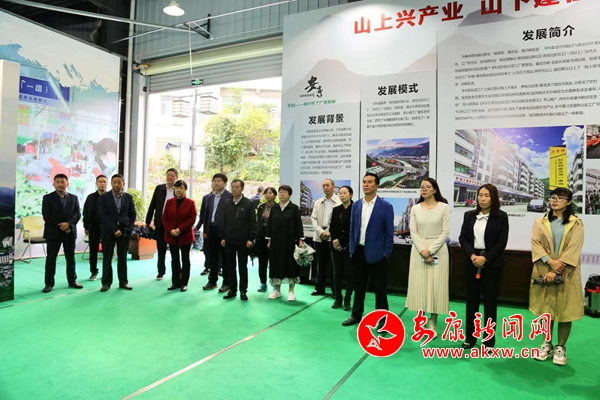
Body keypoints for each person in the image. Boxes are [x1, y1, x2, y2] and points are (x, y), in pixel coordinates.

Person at [530, 187, 584, 366]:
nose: (555, 200)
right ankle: (546, 344)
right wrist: (549, 262)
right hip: (544, 269)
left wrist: (556, 269)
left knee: (565, 311)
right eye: (553, 197)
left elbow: (573, 249)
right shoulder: (540, 221)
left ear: (568, 202)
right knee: (546, 311)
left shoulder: (576, 223)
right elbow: (536, 243)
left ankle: (560, 347)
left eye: (560, 198)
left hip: (566, 272)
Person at [458, 183, 509, 350]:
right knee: (471, 302)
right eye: (480, 195)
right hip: (472, 261)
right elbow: (463, 238)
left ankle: (488, 341)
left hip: (492, 263)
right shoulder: (469, 215)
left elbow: (501, 243)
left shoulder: (501, 217)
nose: (483, 198)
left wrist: (485, 258)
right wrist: (472, 255)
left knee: (490, 302)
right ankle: (470, 338)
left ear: (493, 198)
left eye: (487, 195)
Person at [342, 173, 394, 326]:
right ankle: (356, 315)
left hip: (378, 254)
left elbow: (389, 234)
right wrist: (352, 248)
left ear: (377, 186)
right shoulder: (357, 205)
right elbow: (352, 229)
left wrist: (385, 253)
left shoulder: (385, 206)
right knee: (358, 287)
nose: (366, 184)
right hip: (358, 252)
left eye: (370, 182)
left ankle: (383, 320)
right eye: (364, 182)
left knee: (379, 289)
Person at [405, 178, 451, 337]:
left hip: (438, 250)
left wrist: (430, 250)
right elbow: (413, 231)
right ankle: (421, 322)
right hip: (418, 250)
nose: (424, 189)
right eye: (422, 187)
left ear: (435, 190)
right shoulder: (415, 208)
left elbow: (445, 232)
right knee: (419, 286)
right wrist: (423, 250)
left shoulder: (444, 207)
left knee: (435, 286)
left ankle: (433, 323)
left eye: (428, 187)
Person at [41, 174, 82, 293]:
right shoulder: (47, 198)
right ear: (53, 184)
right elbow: (46, 216)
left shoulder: (74, 198)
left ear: (67, 184)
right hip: (53, 233)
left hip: (69, 232)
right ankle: (49, 283)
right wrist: (61, 226)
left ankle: (72, 280)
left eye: (62, 182)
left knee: (71, 258)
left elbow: (77, 214)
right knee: (51, 259)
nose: (60, 184)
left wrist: (68, 224)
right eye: (57, 182)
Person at [219, 179, 257, 301]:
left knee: (242, 267)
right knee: (230, 266)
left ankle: (243, 291)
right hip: (229, 240)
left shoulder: (249, 203)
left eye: (237, 187)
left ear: (242, 189)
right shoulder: (227, 203)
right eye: (232, 187)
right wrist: (223, 237)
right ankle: (232, 289)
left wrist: (251, 238)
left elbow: (253, 223)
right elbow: (224, 221)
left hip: (243, 241)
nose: (234, 189)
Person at [99, 174, 136, 292]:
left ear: (123, 184)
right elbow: (103, 216)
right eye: (114, 182)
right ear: (111, 184)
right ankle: (106, 283)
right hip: (108, 232)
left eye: (119, 182)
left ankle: (123, 282)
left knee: (123, 258)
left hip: (124, 232)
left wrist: (129, 228)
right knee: (107, 258)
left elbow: (132, 214)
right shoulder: (104, 197)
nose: (116, 185)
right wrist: (114, 230)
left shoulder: (128, 197)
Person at [266, 185, 304, 301]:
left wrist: (301, 240)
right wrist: (269, 240)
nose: (282, 194)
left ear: (289, 195)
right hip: (276, 241)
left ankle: (291, 291)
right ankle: (277, 290)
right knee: (276, 264)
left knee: (291, 265)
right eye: (280, 192)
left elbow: (299, 225)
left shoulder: (294, 208)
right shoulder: (274, 208)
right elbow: (270, 224)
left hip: (290, 241)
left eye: (285, 192)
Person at [162, 180, 197, 292]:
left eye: (181, 188)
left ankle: (184, 283)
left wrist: (180, 229)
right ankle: (175, 282)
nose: (178, 190)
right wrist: (170, 230)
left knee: (185, 259)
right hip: (172, 235)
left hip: (185, 235)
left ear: (185, 190)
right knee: (174, 259)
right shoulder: (169, 202)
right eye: (177, 188)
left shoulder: (190, 203)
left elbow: (192, 219)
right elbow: (164, 217)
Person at [201, 173, 233, 292]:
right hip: (211, 230)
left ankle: (226, 282)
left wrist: (227, 234)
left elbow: (231, 218)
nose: (216, 183)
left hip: (224, 231)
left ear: (225, 183)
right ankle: (212, 281)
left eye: (219, 181)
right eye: (214, 181)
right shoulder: (210, 197)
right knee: (212, 257)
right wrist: (205, 230)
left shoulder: (230, 197)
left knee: (225, 258)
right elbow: (207, 215)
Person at [146, 168, 179, 280]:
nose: (170, 177)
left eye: (172, 175)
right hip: (160, 224)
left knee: (174, 250)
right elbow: (152, 205)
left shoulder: (178, 189)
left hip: (173, 225)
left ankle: (176, 272)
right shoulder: (159, 188)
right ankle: (161, 271)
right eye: (168, 175)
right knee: (161, 249)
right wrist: (147, 221)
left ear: (176, 177)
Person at [311, 179, 341, 296]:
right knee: (320, 264)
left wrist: (327, 232)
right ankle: (319, 288)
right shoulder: (318, 202)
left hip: (332, 237)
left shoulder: (339, 202)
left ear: (333, 186)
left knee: (334, 266)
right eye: (323, 186)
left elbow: (338, 221)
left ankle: (335, 290)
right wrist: (320, 232)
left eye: (327, 185)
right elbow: (313, 218)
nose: (325, 187)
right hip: (319, 237)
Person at [330, 185, 354, 310]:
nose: (342, 195)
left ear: (351, 195)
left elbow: (353, 230)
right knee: (337, 273)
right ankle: (337, 298)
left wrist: (341, 241)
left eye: (345, 193)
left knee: (349, 274)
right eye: (340, 193)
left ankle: (347, 300)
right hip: (335, 247)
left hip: (349, 246)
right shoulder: (336, 210)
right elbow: (332, 227)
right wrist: (336, 242)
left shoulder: (355, 209)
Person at [82, 175, 108, 280]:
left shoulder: (110, 197)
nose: (102, 184)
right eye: (100, 181)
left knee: (107, 252)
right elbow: (85, 213)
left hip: (107, 229)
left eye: (104, 182)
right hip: (94, 228)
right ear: (96, 183)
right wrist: (86, 227)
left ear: (107, 184)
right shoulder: (90, 197)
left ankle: (107, 273)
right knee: (93, 251)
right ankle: (93, 272)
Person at [256, 187, 277, 292]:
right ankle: (263, 283)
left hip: (274, 238)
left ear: (274, 195)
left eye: (270, 193)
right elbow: (258, 221)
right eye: (266, 193)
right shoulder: (261, 207)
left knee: (273, 261)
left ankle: (274, 284)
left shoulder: (277, 207)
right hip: (261, 237)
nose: (268, 195)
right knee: (262, 261)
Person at [196, 182, 215, 276]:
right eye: (214, 182)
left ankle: (218, 268)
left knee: (218, 250)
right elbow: (203, 214)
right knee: (207, 248)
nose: (216, 184)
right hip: (207, 227)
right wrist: (198, 226)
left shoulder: (226, 197)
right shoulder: (206, 197)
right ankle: (207, 266)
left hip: (219, 228)